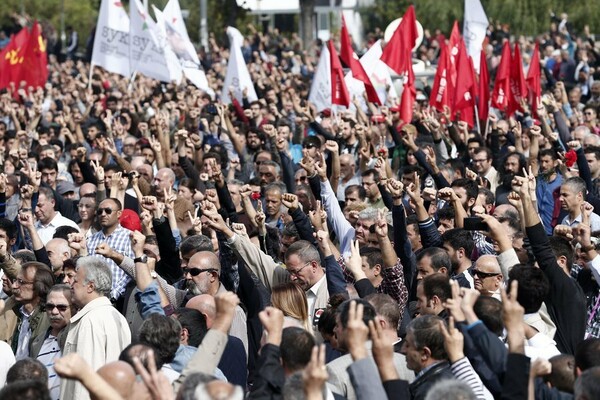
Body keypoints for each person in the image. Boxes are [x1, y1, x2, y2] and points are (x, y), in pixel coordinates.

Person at [60, 257, 131, 400]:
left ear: (90, 286)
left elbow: (84, 381)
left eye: (75, 280)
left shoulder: (90, 320)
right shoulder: (117, 317)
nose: (70, 284)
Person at [31, 285, 74, 400]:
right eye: (50, 306)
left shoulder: (76, 340)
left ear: (74, 308)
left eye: (62, 307)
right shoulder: (37, 341)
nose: (54, 312)